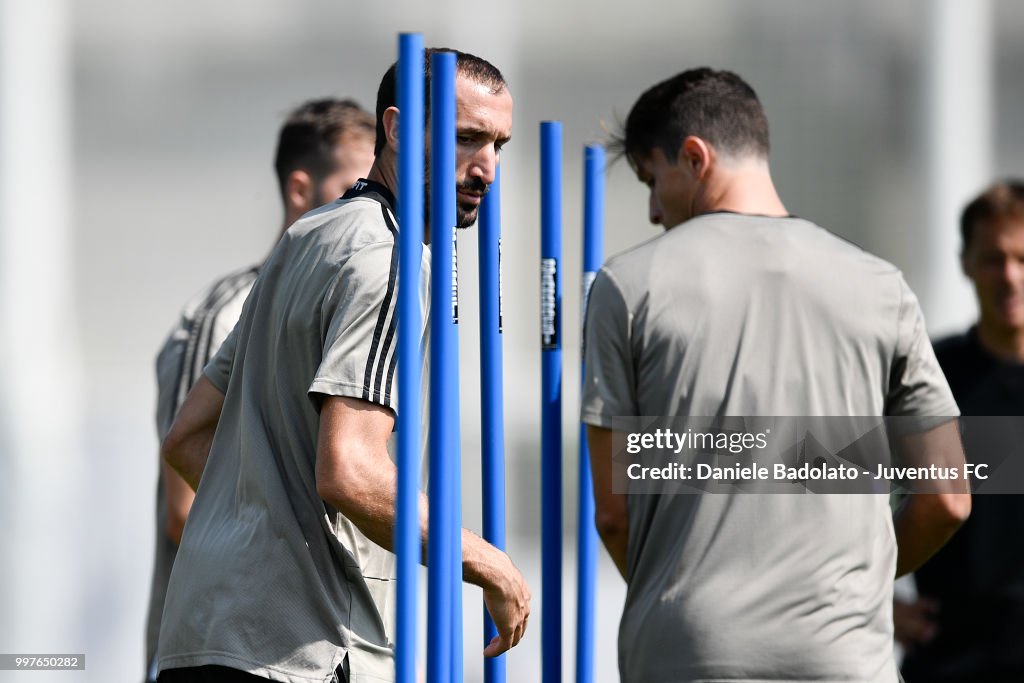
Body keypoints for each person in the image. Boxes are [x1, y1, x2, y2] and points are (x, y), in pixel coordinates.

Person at [580, 67, 971, 683]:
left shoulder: (627, 287)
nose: (653, 210)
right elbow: (947, 496)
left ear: (694, 156)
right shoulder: (880, 286)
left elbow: (614, 515)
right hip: (844, 658)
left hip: (691, 653)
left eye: (652, 181)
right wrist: (850, 586)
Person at [156, 48, 528, 683]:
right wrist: (489, 563)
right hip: (300, 653)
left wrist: (270, 529)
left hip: (206, 641)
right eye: (467, 139)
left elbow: (188, 436)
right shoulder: (391, 257)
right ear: (398, 128)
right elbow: (351, 472)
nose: (487, 168)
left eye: (499, 144)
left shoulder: (309, 237)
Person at [145, 97, 376, 683]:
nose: (371, 207)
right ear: (300, 189)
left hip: (304, 647)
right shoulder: (227, 314)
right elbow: (183, 509)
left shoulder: (346, 301)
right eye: (356, 189)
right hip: (222, 648)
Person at [900, 180, 1024, 683]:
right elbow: (822, 479)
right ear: (965, 263)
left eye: (1022, 258)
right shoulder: (927, 377)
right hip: (953, 664)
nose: (1010, 277)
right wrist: (874, 606)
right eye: (994, 258)